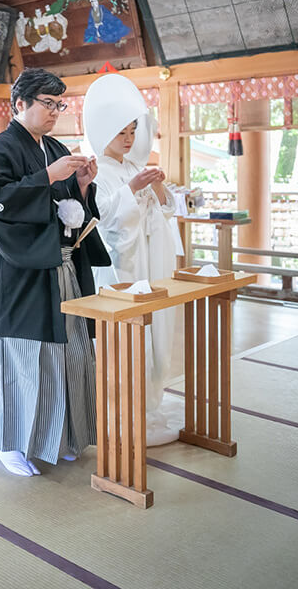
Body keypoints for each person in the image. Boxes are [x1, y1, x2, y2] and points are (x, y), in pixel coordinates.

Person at [0, 68, 111, 477]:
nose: (55, 112)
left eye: (59, 104)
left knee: (67, 355)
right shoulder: (0, 149)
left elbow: (71, 212)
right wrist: (47, 176)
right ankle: (9, 442)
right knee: (22, 359)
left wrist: (81, 185)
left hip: (60, 267)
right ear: (20, 104)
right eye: (48, 103)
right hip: (19, 271)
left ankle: (57, 436)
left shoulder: (56, 146)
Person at [84, 72, 184, 445]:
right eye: (120, 132)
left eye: (131, 131)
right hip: (122, 266)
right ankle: (120, 405)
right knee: (127, 339)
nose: (127, 139)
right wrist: (132, 190)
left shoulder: (131, 167)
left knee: (158, 333)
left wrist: (154, 185)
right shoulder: (98, 172)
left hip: (151, 261)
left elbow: (166, 209)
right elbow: (105, 219)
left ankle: (150, 401)